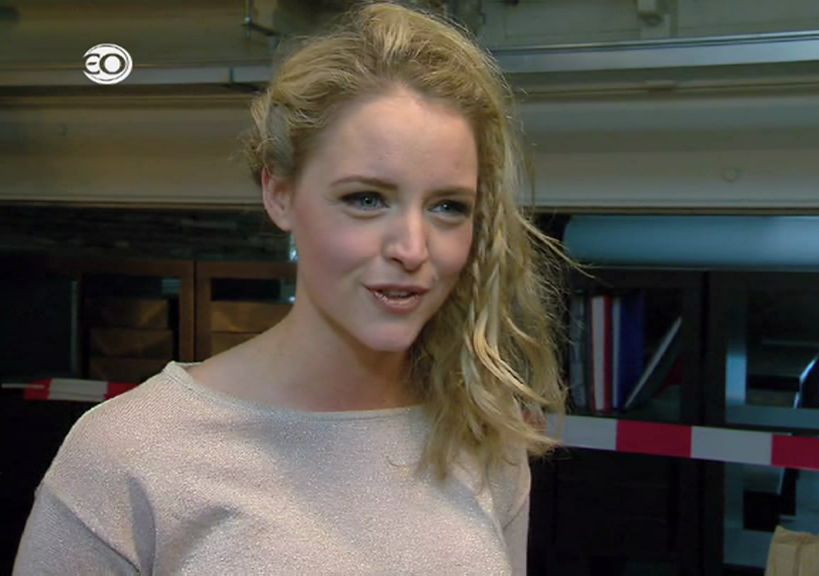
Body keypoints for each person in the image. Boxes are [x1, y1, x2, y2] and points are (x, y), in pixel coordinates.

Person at [13, 2, 572, 574]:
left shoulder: (485, 440)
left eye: (448, 207)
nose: (412, 248)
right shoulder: (128, 454)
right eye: (366, 199)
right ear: (279, 195)